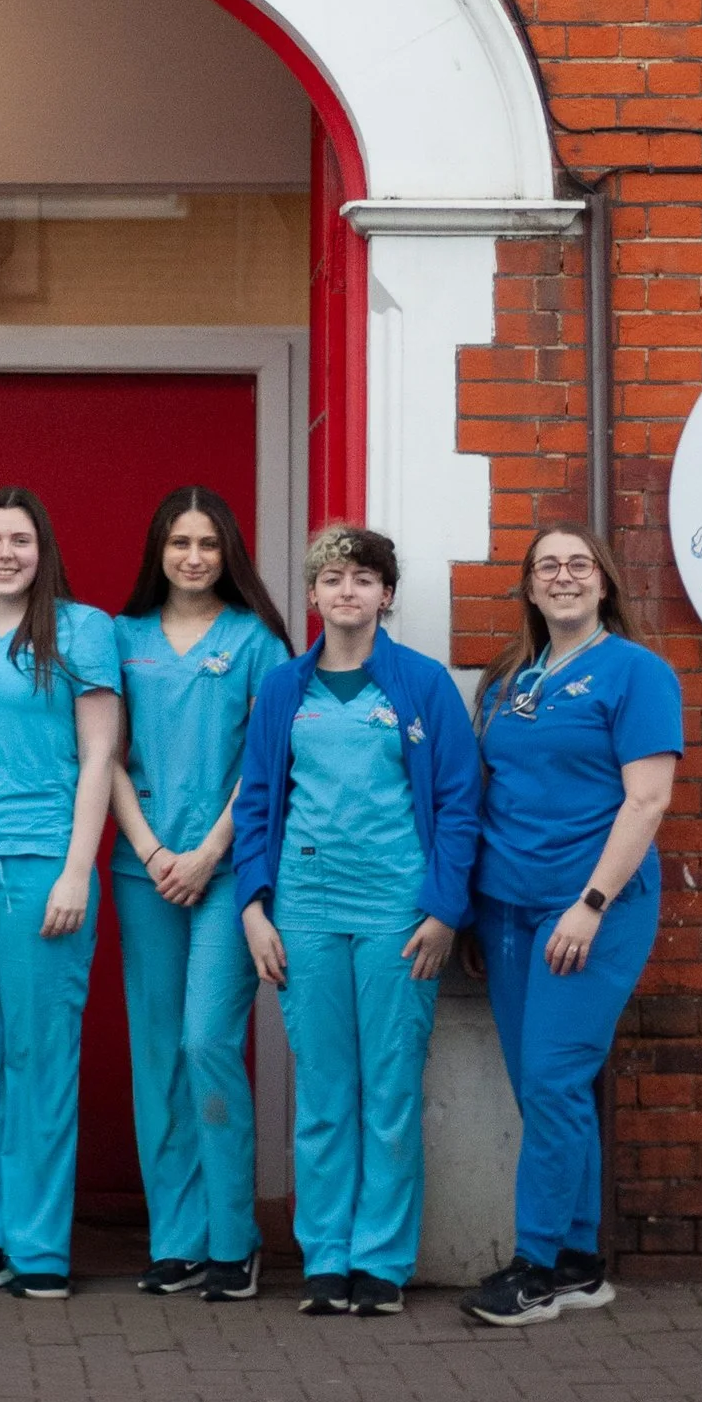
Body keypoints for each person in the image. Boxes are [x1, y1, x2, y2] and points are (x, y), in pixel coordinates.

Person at [233, 523, 480, 1318]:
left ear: (386, 595)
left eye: (363, 580)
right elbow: (259, 804)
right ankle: (326, 1258)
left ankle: (380, 1262)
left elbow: (458, 803)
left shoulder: (421, 685)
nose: (347, 592)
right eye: (332, 580)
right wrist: (252, 909)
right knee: (326, 1092)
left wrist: (444, 911)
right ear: (313, 596)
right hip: (304, 911)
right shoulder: (284, 690)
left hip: (397, 914)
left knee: (392, 1087)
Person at [461, 524, 684, 1329]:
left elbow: (648, 800)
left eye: (578, 565)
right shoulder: (506, 679)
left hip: (591, 911)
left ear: (604, 583)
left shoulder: (638, 674)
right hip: (507, 911)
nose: (562, 576)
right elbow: (487, 789)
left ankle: (535, 1267)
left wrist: (589, 905)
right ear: (528, 587)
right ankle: (583, 1264)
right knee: (543, 1091)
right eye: (546, 566)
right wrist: (470, 916)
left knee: (555, 1082)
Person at [0, 489, 122, 1301]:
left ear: (44, 550)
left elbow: (101, 754)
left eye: (20, 540)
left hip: (44, 861)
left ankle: (39, 1245)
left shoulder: (83, 629)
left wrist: (79, 868)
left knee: (38, 1053)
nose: (4, 552)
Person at [109, 488, 290, 1302]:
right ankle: (177, 1241)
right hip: (145, 870)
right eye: (179, 541)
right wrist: (151, 850)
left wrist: (209, 850)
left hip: (226, 873)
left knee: (205, 1041)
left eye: (208, 544)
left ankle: (233, 1237)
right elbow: (100, 754)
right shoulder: (122, 639)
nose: (192, 557)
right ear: (157, 549)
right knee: (157, 1058)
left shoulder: (257, 642)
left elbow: (268, 759)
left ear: (229, 555)